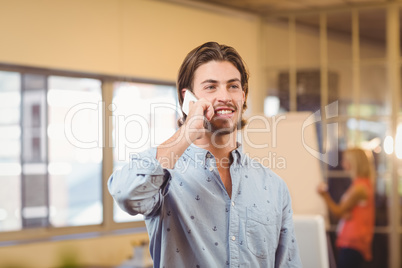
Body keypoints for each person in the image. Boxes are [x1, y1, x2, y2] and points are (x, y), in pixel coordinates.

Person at [108, 41, 302, 268]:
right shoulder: (165, 179)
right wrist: (186, 133)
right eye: (211, 87)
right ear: (187, 99)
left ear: (244, 95)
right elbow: (126, 194)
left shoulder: (274, 187)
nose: (224, 97)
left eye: (233, 86)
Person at [317, 147, 375, 268]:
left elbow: (338, 211)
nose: (343, 163)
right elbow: (345, 212)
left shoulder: (359, 189)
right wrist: (344, 213)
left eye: (345, 160)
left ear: (354, 163)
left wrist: (324, 195)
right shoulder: (360, 184)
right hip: (352, 241)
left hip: (353, 242)